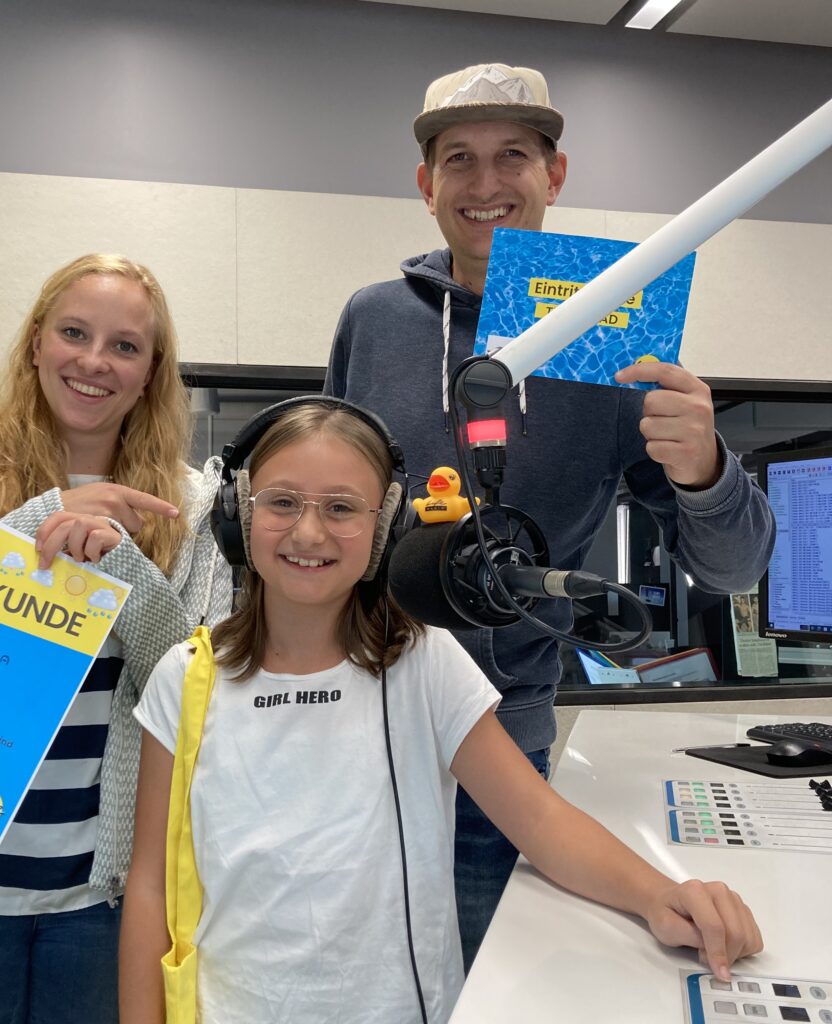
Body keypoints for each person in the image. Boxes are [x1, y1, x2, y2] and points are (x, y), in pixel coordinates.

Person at [324, 62, 776, 970]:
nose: (485, 182)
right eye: (459, 158)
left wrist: (706, 470)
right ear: (426, 184)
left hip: (507, 746)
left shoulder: (613, 330)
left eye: (513, 156)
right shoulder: (372, 321)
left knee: (486, 986)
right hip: (352, 729)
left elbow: (732, 570)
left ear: (554, 175)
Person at [119, 397, 762, 1024]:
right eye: (281, 502)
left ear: (386, 527)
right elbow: (150, 886)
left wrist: (661, 895)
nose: (308, 532)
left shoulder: (423, 663)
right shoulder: (186, 678)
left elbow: (540, 820)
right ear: (237, 513)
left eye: (341, 507)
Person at [0, 253, 232, 1024]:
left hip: (100, 899)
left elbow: (197, 686)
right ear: (36, 342)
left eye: (125, 346)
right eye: (73, 333)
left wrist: (120, 567)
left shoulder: (190, 503)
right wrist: (43, 520)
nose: (94, 361)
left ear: (151, 372)